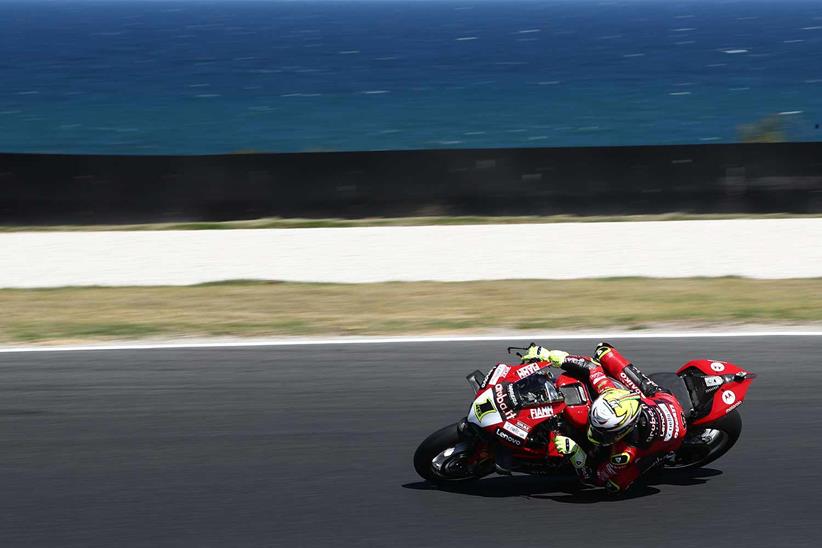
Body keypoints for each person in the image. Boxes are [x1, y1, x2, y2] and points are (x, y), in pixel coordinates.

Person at [519, 342, 687, 493]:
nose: (593, 432)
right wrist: (549, 356)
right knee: (604, 351)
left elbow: (595, 478)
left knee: (615, 485)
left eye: (602, 432)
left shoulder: (624, 453)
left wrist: (576, 452)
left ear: (621, 432)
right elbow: (591, 366)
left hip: (672, 436)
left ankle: (661, 457)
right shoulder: (609, 392)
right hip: (660, 399)